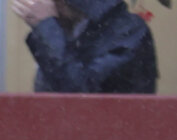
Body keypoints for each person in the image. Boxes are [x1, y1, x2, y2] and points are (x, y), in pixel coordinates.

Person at [12, 0, 158, 93]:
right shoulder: (64, 31)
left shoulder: (128, 31)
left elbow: (78, 94)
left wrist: (46, 26)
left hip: (111, 137)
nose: (39, 5)